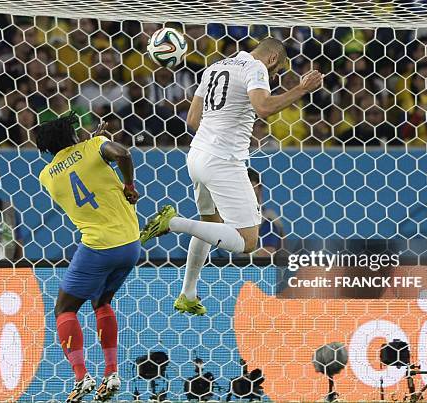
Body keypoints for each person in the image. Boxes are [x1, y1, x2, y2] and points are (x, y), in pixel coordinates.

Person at [140, 38, 322, 315]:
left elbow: (191, 120)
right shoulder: (256, 67)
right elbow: (263, 107)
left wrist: (229, 127)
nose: (271, 78)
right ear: (272, 60)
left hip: (197, 156)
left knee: (209, 225)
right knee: (247, 242)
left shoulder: (215, 67)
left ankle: (187, 293)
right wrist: (301, 88)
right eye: (275, 74)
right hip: (224, 162)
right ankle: (173, 222)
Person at [35, 113, 140, 403]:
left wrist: (91, 140)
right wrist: (129, 185)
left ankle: (81, 377)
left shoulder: (46, 176)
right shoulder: (94, 146)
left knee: (64, 309)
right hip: (130, 245)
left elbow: (75, 167)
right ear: (71, 137)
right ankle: (111, 373)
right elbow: (123, 153)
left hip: (98, 248)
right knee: (102, 302)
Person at [247, 168, 284, 256]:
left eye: (251, 188)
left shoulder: (267, 220)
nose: (246, 193)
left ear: (260, 189)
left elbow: (267, 252)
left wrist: (239, 250)